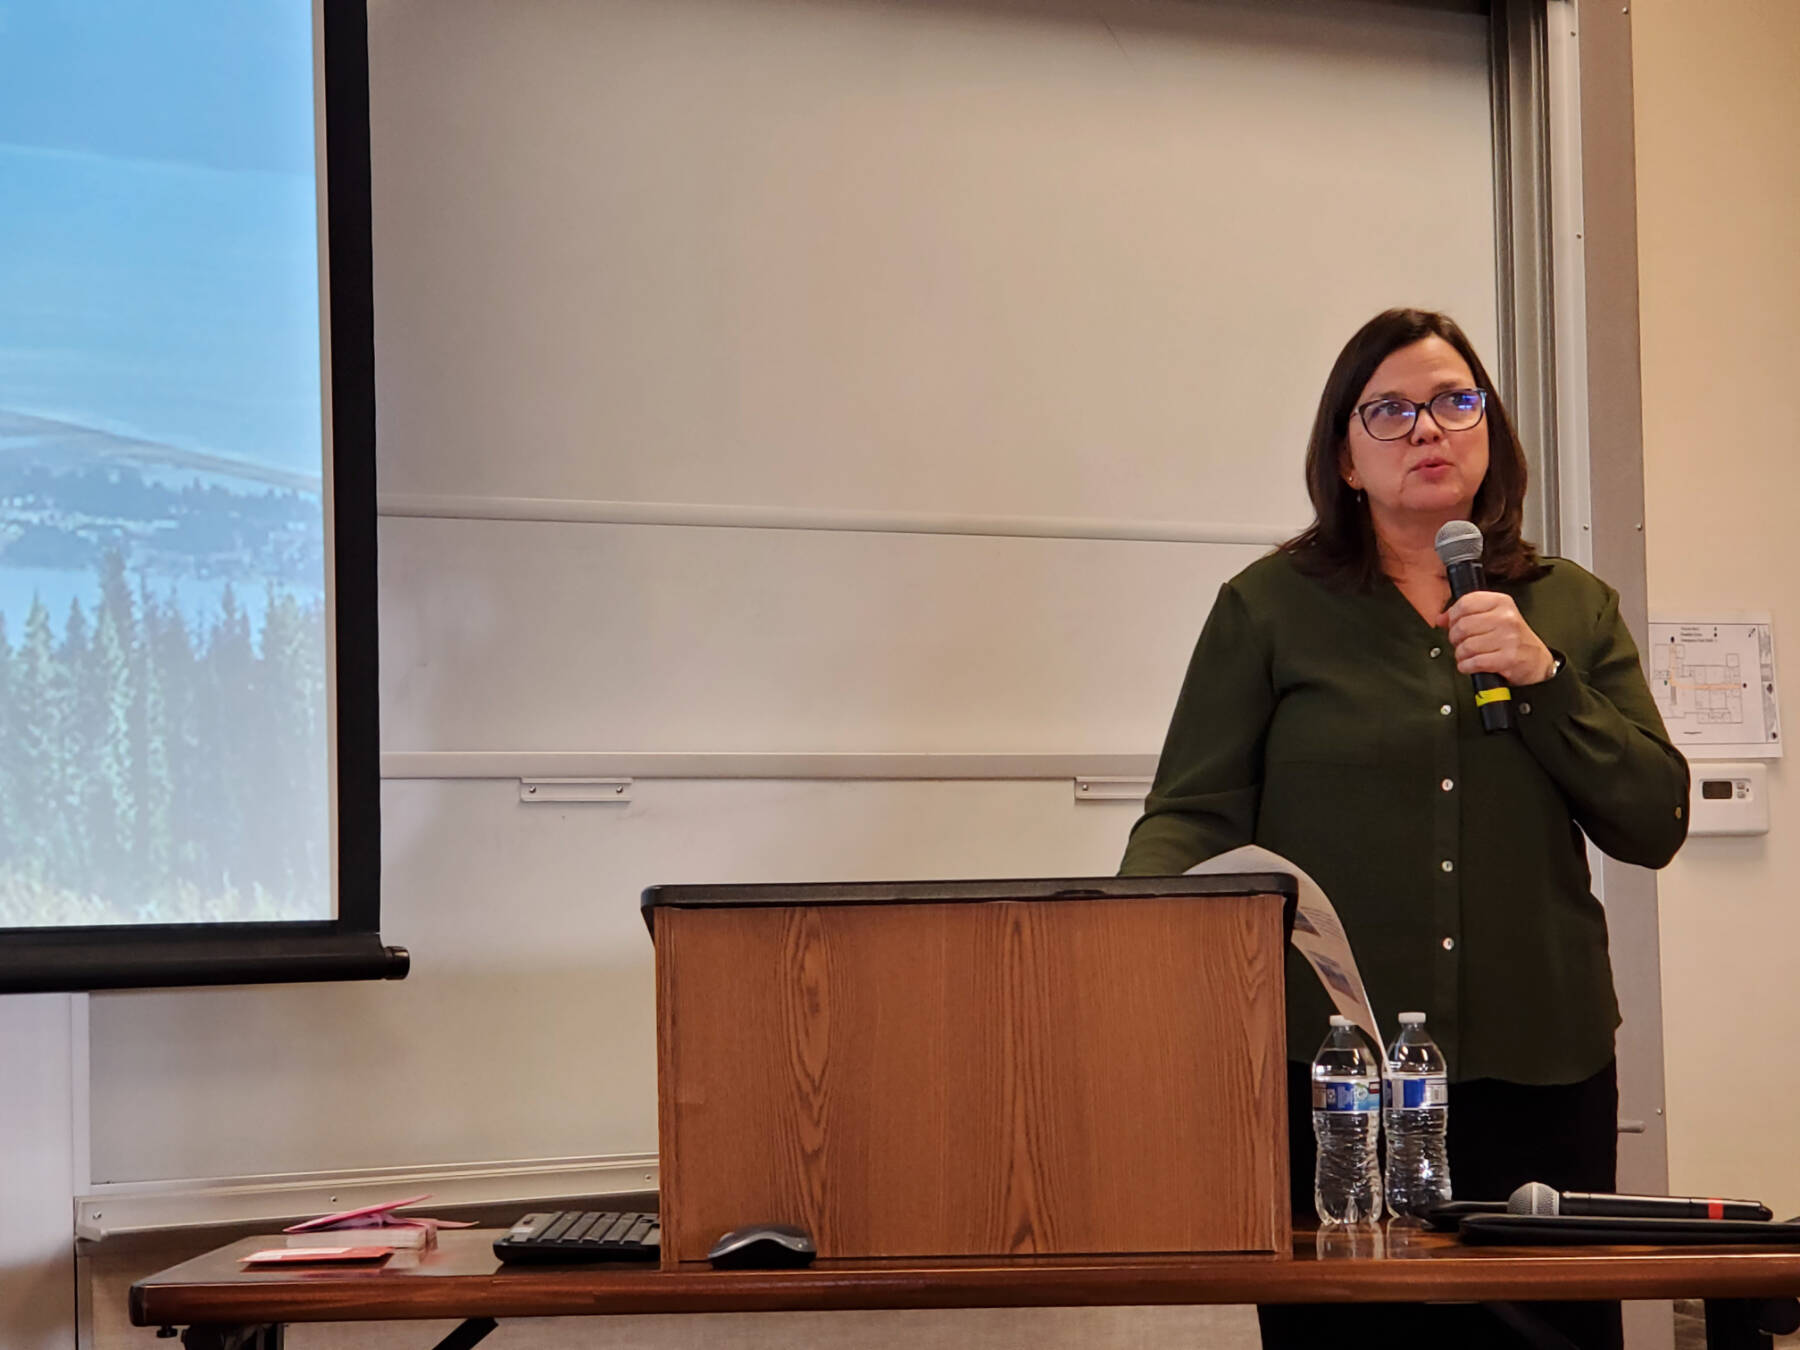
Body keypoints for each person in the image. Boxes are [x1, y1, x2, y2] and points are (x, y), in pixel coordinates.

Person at [1119, 308, 1689, 1350]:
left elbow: (1653, 820)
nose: (1427, 428)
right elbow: (1193, 814)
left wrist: (1545, 680)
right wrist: (1125, 952)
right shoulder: (1268, 610)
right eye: (1389, 410)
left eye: (1453, 401)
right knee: (1353, 1336)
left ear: (1490, 434)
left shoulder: (1571, 609)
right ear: (1344, 455)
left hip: (1538, 1062)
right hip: (1336, 1073)